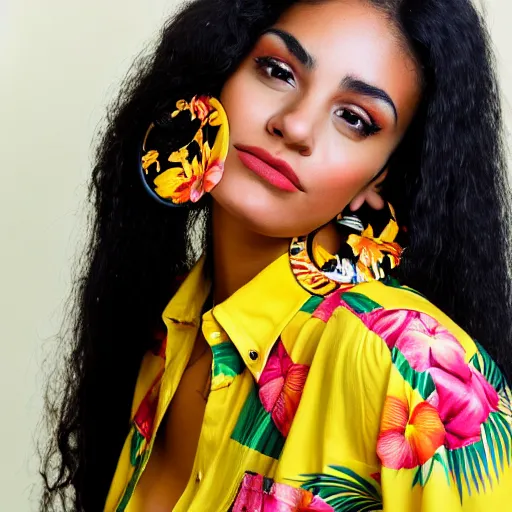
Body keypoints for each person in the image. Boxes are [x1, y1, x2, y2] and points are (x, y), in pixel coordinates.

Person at [40, 0, 512, 510]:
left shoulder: (420, 373)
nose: (297, 126)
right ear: (216, 75)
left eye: (354, 118)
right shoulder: (166, 323)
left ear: (381, 176)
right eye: (277, 71)